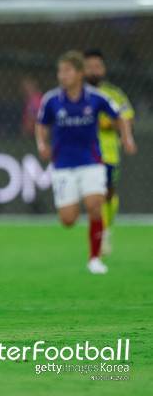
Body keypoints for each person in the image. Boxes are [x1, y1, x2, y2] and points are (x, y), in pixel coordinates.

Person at [35, 50, 136, 275]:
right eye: (60, 71)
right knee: (68, 219)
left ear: (79, 73)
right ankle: (77, 199)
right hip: (63, 165)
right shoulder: (52, 100)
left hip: (91, 161)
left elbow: (120, 116)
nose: (62, 75)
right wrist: (42, 144)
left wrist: (127, 137)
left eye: (67, 71)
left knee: (94, 205)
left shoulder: (97, 98)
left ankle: (95, 258)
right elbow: (41, 124)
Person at [83, 49, 137, 255]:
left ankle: (104, 230)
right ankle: (100, 232)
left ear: (104, 69)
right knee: (93, 196)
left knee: (107, 194)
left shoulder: (113, 94)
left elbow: (127, 118)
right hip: (82, 153)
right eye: (90, 67)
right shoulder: (75, 95)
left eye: (98, 66)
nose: (94, 71)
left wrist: (114, 126)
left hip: (108, 153)